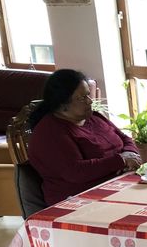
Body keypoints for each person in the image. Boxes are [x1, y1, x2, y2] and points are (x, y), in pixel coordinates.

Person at [28, 69, 141, 207]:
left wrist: (130, 153)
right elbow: (75, 171)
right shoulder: (50, 132)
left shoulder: (94, 117)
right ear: (62, 103)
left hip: (117, 186)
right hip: (78, 201)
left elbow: (125, 139)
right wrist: (121, 160)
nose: (89, 101)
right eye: (81, 98)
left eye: (88, 95)